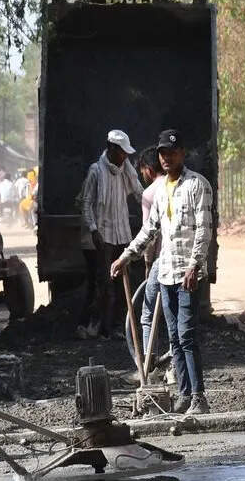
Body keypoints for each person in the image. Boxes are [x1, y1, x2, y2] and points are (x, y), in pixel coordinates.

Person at [111, 129, 213, 415]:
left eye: (172, 152)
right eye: (163, 153)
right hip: (166, 273)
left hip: (187, 274)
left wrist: (195, 265)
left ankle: (198, 397)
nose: (167, 158)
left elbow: (204, 231)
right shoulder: (160, 191)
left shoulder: (197, 185)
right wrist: (125, 257)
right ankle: (183, 394)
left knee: (187, 334)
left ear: (183, 153)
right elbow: (149, 230)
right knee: (175, 338)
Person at [82, 129, 144, 339]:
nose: (124, 156)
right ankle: (101, 326)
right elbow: (86, 203)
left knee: (121, 281)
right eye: (121, 152)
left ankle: (117, 326)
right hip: (104, 235)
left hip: (122, 233)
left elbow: (138, 191)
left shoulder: (125, 168)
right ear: (111, 148)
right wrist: (93, 229)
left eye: (126, 153)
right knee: (104, 282)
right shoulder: (96, 171)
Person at [137, 149, 166, 361]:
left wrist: (148, 265)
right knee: (176, 315)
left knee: (148, 314)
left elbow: (149, 235)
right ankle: (175, 365)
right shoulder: (177, 184)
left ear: (148, 169)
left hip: (161, 260)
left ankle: (150, 363)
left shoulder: (149, 193)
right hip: (182, 259)